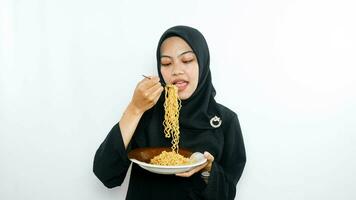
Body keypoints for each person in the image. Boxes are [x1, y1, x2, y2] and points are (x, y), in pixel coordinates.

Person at [93, 25, 246, 200]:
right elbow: (106, 174)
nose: (176, 70)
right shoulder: (146, 111)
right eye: (166, 63)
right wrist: (134, 109)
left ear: (203, 63)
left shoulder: (225, 121)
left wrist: (208, 170)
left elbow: (226, 195)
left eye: (187, 60)